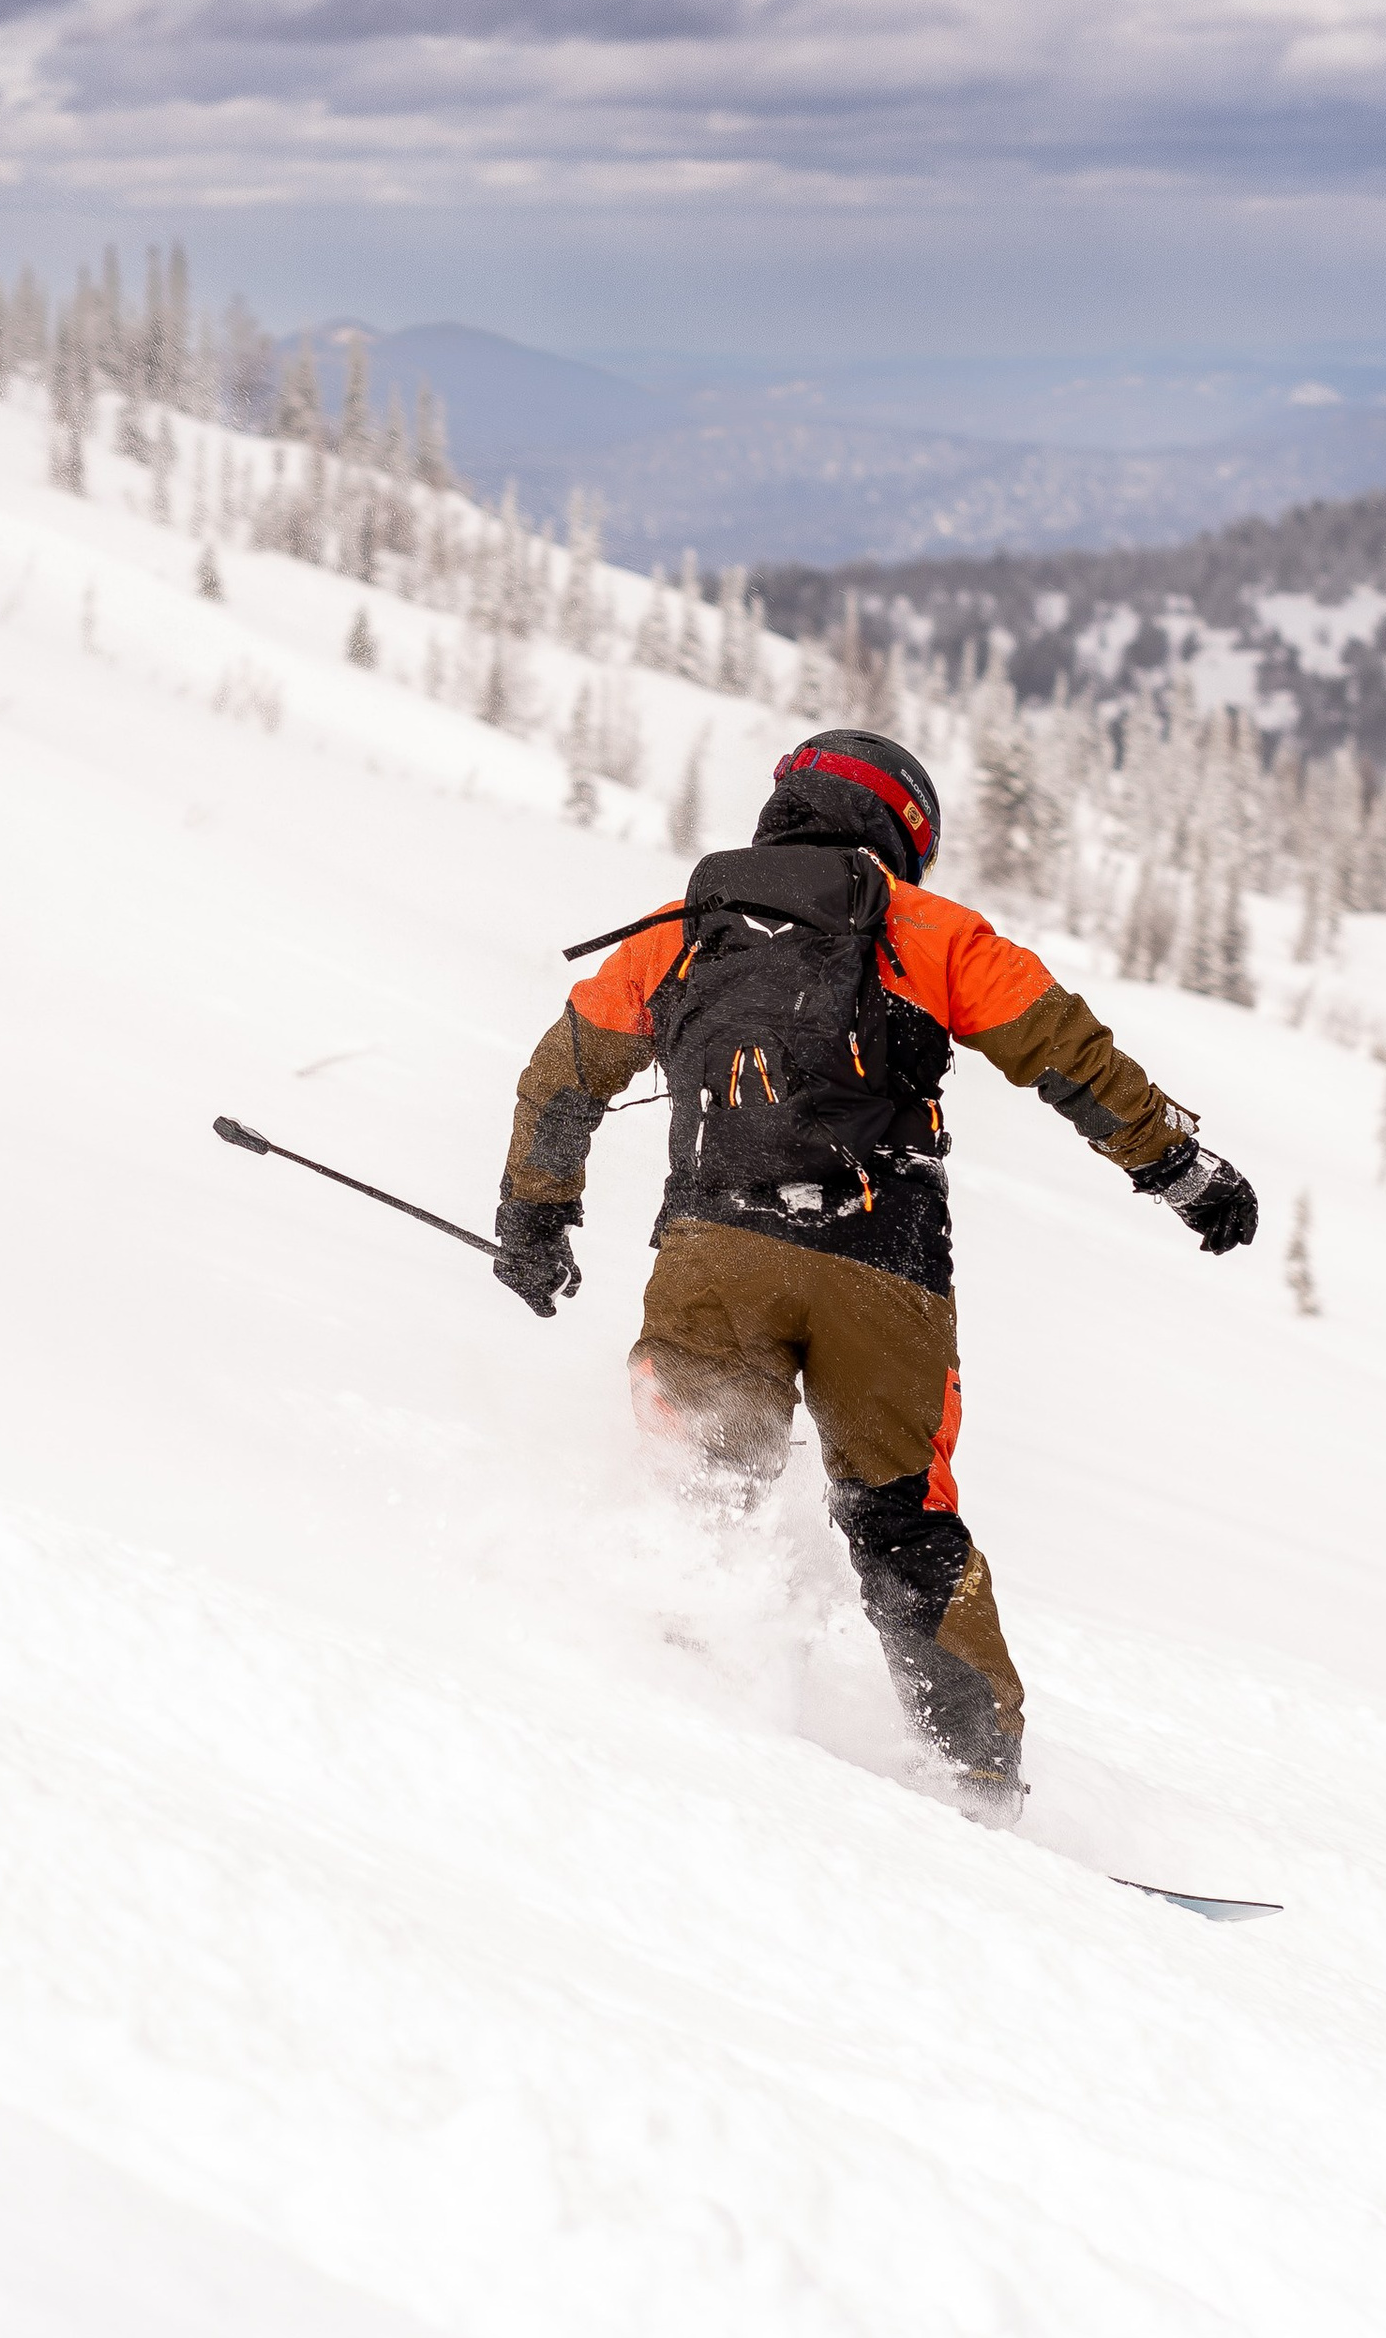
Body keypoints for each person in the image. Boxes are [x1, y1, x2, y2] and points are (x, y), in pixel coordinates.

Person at [494, 727, 1258, 1816]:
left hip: (715, 1256)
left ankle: (677, 1706)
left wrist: (535, 1217)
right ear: (901, 831)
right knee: (905, 1520)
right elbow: (1068, 1053)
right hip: (885, 1273)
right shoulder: (925, 928)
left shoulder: (676, 935)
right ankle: (976, 1781)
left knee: (702, 1483)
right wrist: (1180, 1170)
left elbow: (561, 1077)